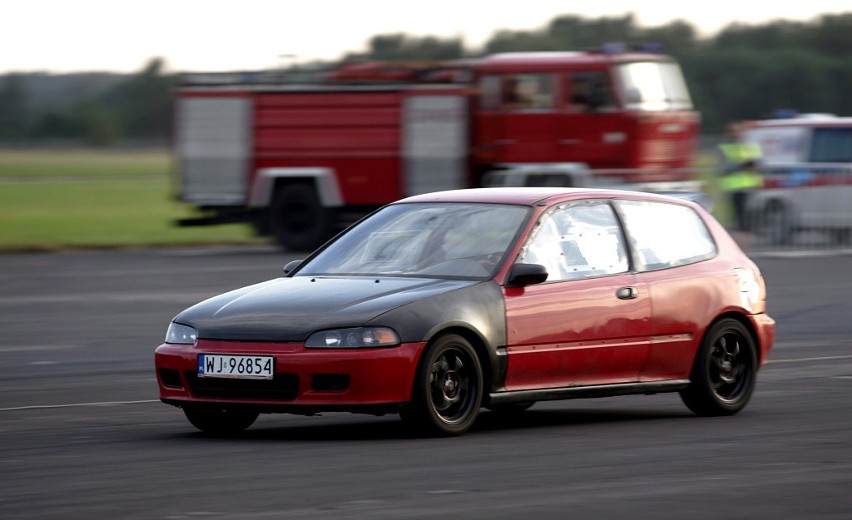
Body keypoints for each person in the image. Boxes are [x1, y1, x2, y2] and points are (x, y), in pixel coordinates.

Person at [718, 124, 764, 231]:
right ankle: (742, 228)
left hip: (750, 184)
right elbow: (723, 168)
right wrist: (741, 166)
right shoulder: (725, 148)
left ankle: (749, 226)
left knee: (751, 209)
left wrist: (752, 165)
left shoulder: (749, 146)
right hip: (734, 185)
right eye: (733, 132)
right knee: (738, 210)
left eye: (737, 131)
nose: (736, 134)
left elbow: (757, 163)